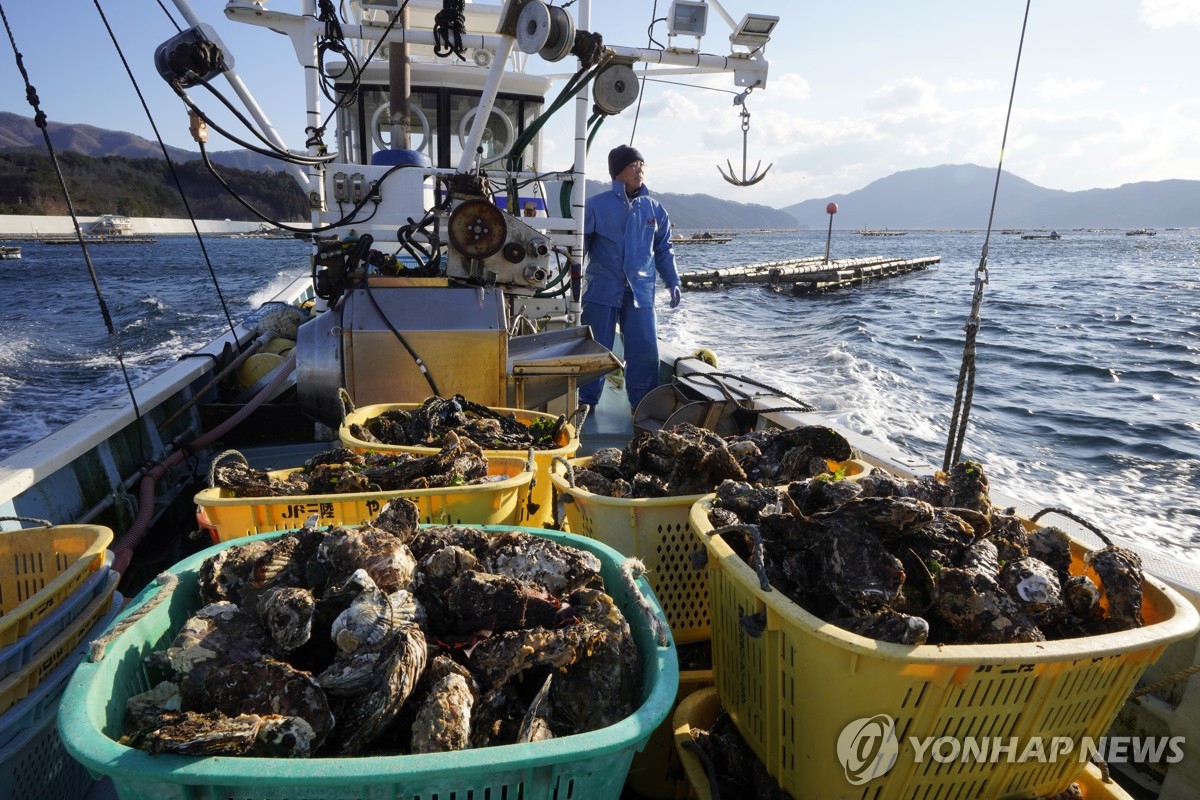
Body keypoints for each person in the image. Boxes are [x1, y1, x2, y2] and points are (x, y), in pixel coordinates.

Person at [578, 144, 682, 415]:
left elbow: (663, 249)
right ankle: (585, 404)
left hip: (641, 292)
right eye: (633, 165)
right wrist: (573, 283)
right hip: (602, 290)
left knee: (645, 351)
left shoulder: (654, 209)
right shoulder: (595, 206)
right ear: (617, 172)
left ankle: (642, 406)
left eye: (642, 165)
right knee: (596, 350)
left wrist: (673, 280)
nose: (640, 170)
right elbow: (580, 247)